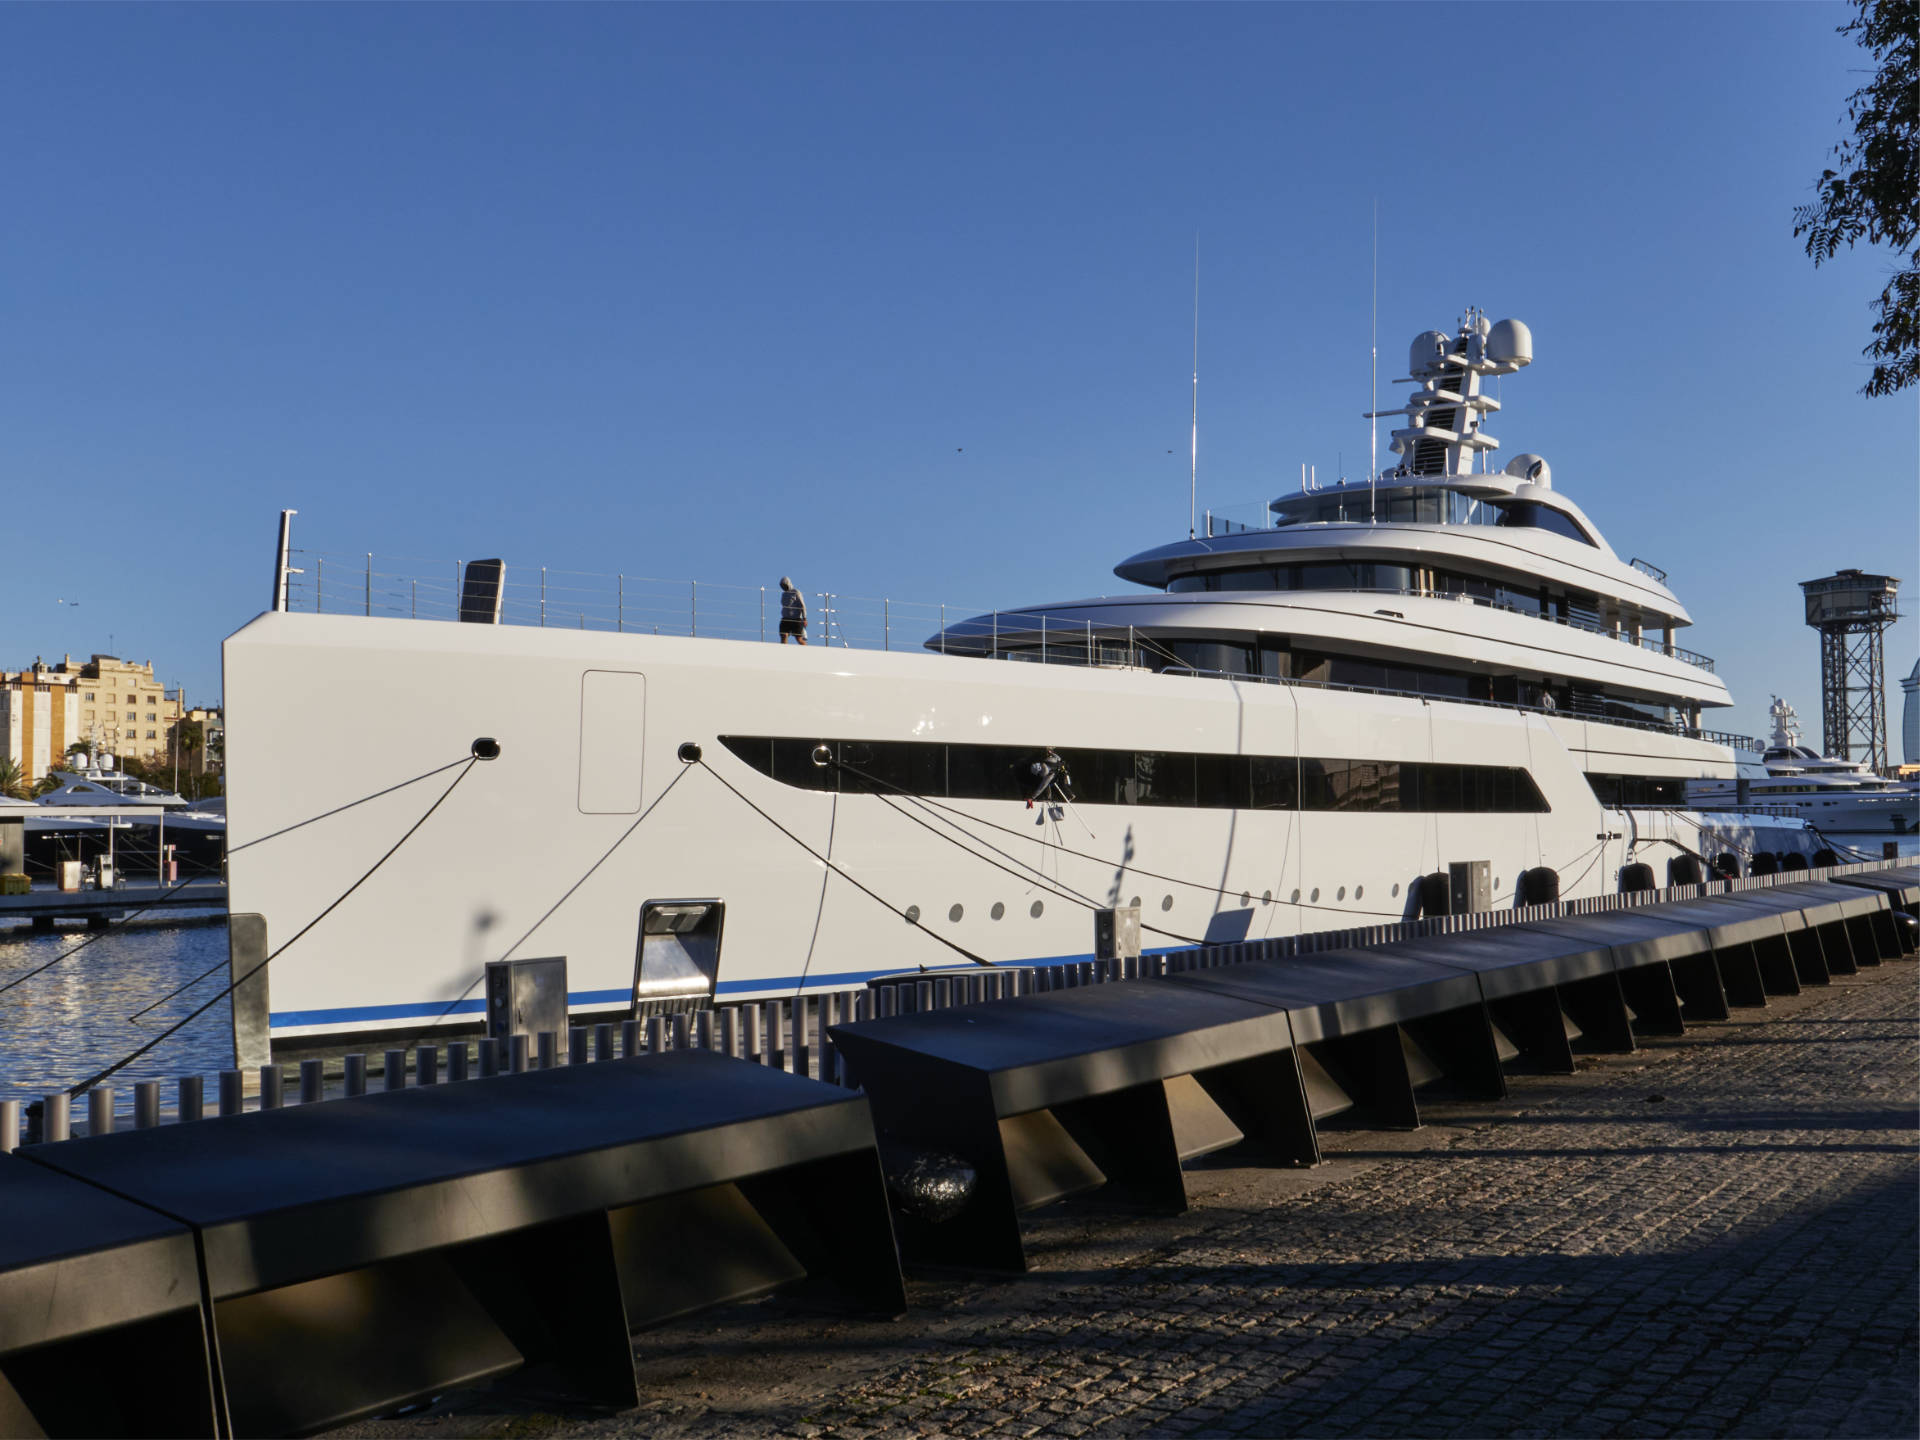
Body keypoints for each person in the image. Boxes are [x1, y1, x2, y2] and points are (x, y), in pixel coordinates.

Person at [778, 576, 808, 644]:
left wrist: (804, 618)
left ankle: (807, 651)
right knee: (784, 635)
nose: (783, 587)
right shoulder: (784, 594)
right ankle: (784, 651)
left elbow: (802, 605)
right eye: (782, 585)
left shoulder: (796, 592)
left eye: (784, 585)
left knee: (799, 638)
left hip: (796, 619)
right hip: (785, 619)